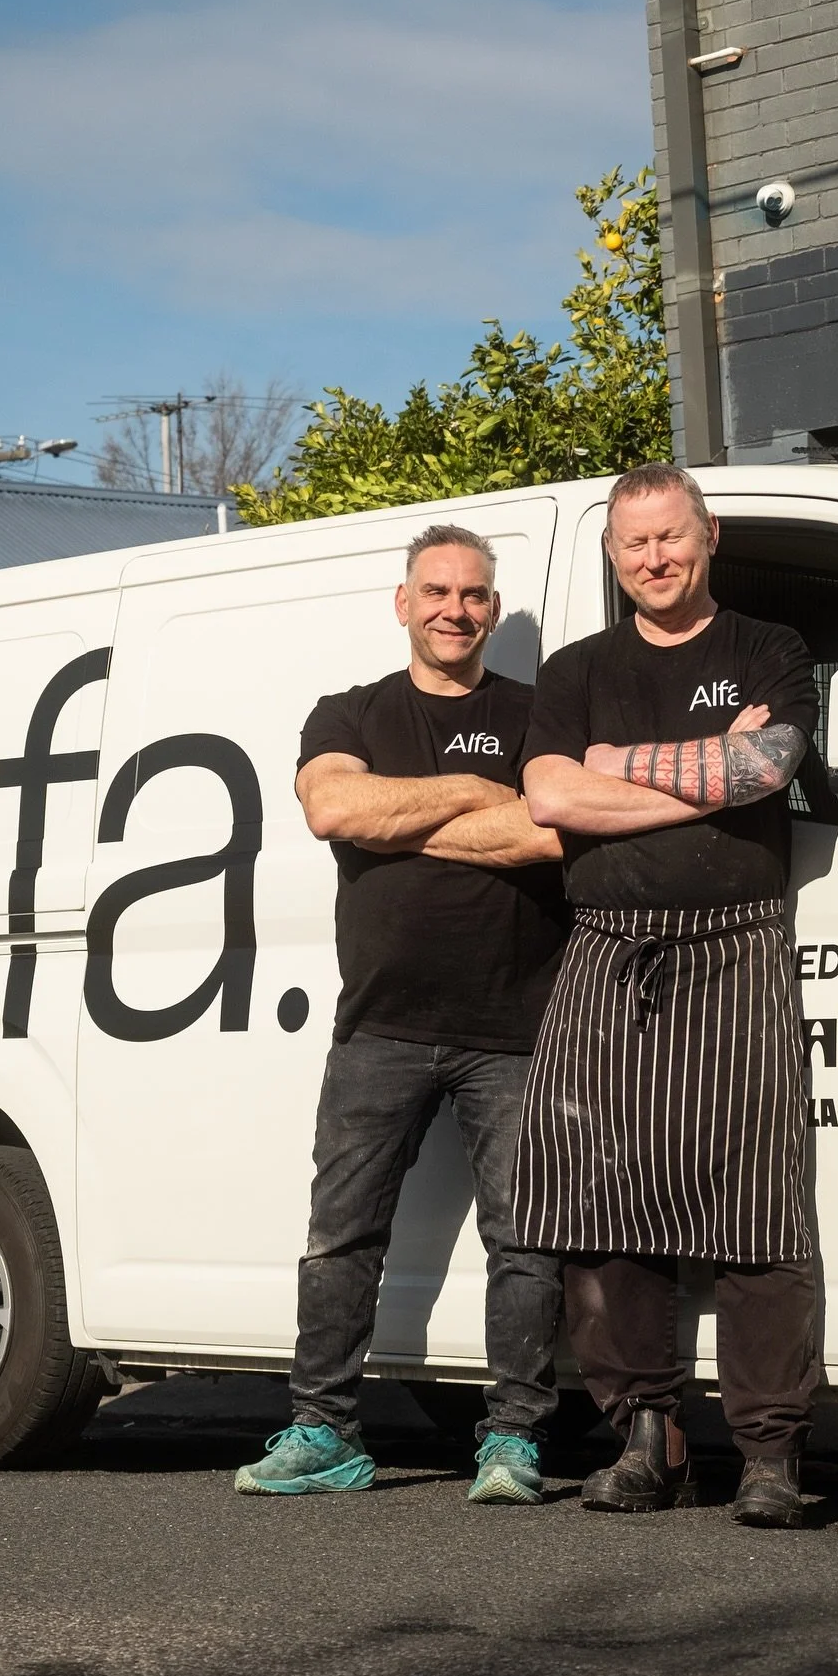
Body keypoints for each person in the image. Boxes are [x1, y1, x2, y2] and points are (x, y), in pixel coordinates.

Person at [236, 524, 571, 1503]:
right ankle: (323, 1432)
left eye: (473, 596)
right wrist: (474, 794)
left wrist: (408, 820)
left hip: (514, 1025)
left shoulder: (536, 713)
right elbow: (335, 811)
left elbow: (551, 834)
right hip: (378, 1027)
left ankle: (512, 1441)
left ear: (493, 611)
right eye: (436, 591)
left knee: (524, 1241)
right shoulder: (349, 712)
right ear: (403, 602)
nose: (454, 610)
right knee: (340, 1236)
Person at [519, 461, 820, 1530]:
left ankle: (771, 1456)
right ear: (613, 552)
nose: (654, 559)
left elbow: (771, 768)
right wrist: (701, 774)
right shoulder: (575, 668)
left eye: (670, 538)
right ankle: (647, 1440)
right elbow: (551, 793)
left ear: (708, 538)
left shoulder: (769, 649)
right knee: (601, 1211)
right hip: (606, 950)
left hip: (738, 947)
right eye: (634, 543)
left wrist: (618, 773)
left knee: (757, 1213)